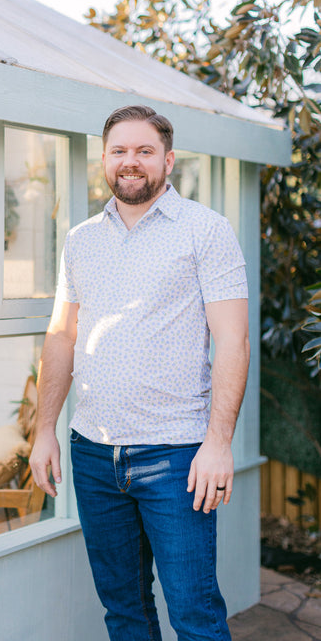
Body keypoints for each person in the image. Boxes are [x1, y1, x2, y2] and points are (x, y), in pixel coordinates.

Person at [29, 105, 250, 641]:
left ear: (168, 160)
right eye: (119, 151)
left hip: (178, 455)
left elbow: (233, 340)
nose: (131, 162)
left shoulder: (206, 231)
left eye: (144, 151)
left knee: (195, 615)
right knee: (125, 612)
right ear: (104, 159)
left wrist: (218, 443)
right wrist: (43, 431)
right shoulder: (81, 239)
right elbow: (62, 335)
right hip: (95, 452)